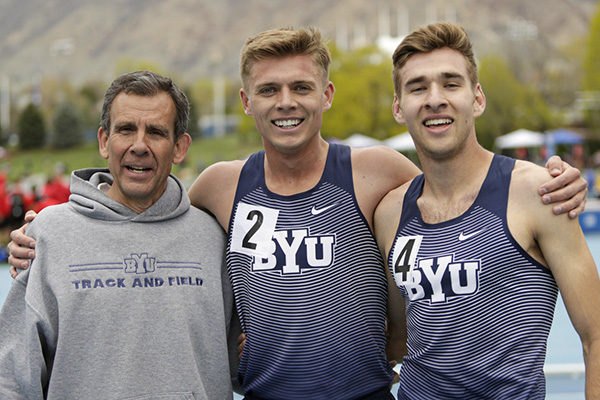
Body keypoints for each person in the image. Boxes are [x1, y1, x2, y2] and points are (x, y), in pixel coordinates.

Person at [7, 28, 588, 399]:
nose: (286, 103)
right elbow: (142, 206)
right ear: (246, 102)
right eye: (269, 90)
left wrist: (557, 179)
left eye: (302, 88)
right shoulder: (220, 185)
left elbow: (456, 194)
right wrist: (52, 230)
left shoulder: (377, 173)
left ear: (327, 95)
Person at [375, 22, 600, 399]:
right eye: (418, 87)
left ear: (477, 98)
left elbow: (596, 335)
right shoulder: (389, 214)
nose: (434, 99)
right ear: (399, 108)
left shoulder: (539, 192)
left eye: (450, 83)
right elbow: (398, 338)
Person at [0, 71, 235, 399]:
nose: (139, 145)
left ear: (180, 147)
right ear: (104, 141)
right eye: (126, 129)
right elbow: (11, 380)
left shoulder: (214, 238)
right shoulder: (48, 235)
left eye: (155, 132)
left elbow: (247, 364)